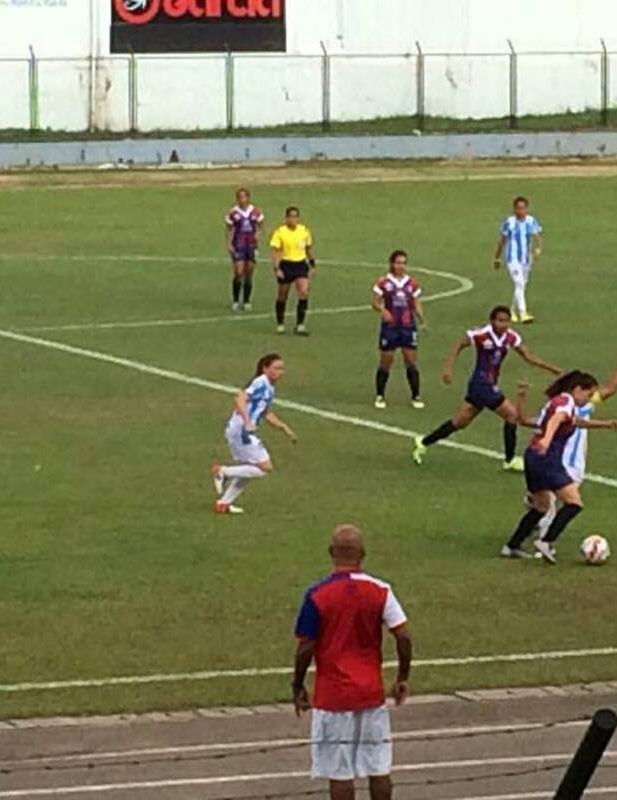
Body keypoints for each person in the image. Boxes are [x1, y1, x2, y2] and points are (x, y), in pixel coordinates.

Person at [293, 524, 412, 800]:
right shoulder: (380, 590)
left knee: (339, 772)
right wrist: (402, 677)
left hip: (333, 696)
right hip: (370, 692)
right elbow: (403, 636)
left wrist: (297, 685)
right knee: (379, 767)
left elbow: (305, 647)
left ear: (331, 552)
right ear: (363, 553)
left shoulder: (317, 594)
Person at [511, 349, 617, 559]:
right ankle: (544, 544)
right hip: (558, 459)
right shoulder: (562, 406)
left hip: (574, 461)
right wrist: (546, 439)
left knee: (550, 503)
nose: (590, 397)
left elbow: (609, 390)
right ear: (576, 389)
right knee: (561, 503)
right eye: (588, 393)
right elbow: (544, 421)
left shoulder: (581, 405)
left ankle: (524, 539)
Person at [412, 305, 560, 471]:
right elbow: (459, 343)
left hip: (486, 385)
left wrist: (553, 369)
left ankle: (423, 442)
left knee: (459, 422)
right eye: (500, 321)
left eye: (506, 321)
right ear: (492, 321)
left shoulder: (510, 337)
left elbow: (528, 356)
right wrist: (448, 367)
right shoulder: (482, 334)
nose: (503, 324)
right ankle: (510, 460)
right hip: (481, 384)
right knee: (512, 415)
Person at [211, 353, 298, 514]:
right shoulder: (260, 383)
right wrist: (247, 421)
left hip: (240, 431)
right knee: (265, 467)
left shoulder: (269, 387)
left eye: (281, 369)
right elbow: (239, 398)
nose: (280, 372)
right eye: (276, 368)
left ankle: (224, 503)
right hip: (241, 431)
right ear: (265, 368)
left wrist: (284, 428)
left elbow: (265, 412)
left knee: (251, 468)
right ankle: (223, 471)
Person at [371, 250, 426, 410]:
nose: (401, 266)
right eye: (398, 263)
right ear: (392, 264)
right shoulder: (384, 282)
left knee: (411, 361)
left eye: (403, 263)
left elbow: (415, 302)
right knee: (386, 361)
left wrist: (422, 318)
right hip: (390, 327)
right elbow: (375, 302)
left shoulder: (412, 283)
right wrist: (383, 311)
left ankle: (416, 396)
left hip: (408, 326)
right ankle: (380, 395)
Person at [492, 196, 542, 324]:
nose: (521, 211)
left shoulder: (531, 221)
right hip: (512, 259)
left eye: (523, 208)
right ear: (514, 209)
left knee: (521, 284)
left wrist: (537, 248)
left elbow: (536, 236)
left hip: (526, 259)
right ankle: (523, 313)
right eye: (519, 208)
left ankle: (512, 310)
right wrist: (497, 258)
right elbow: (502, 241)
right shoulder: (509, 222)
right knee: (519, 283)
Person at [270, 206, 316, 336]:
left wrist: (312, 264)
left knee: (303, 292)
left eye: (295, 216)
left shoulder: (304, 230)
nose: (293, 219)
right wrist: (277, 268)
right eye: (291, 216)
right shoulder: (280, 232)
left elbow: (308, 249)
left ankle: (300, 325)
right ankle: (280, 323)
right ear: (286, 218)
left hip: (300, 264)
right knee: (282, 296)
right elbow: (275, 251)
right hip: (286, 264)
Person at [224, 187, 264, 311]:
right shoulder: (233, 213)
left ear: (248, 198)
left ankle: (246, 300)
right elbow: (229, 229)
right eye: (240, 197)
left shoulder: (255, 211)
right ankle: (236, 300)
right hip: (238, 244)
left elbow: (260, 225)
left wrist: (258, 234)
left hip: (251, 245)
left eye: (244, 197)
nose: (242, 199)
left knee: (249, 272)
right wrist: (229, 243)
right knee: (238, 272)